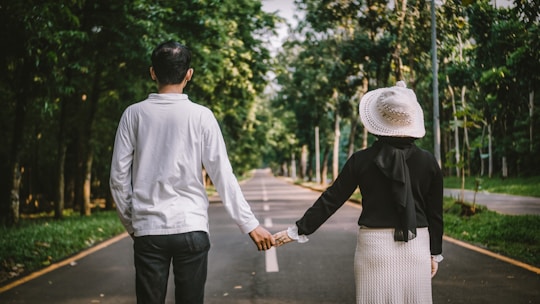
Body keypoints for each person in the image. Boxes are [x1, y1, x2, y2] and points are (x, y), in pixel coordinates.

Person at [109, 40, 275, 304]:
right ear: (189, 74)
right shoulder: (202, 116)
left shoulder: (133, 115)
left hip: (148, 230)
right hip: (191, 228)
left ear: (153, 72)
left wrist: (134, 224)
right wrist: (250, 225)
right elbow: (222, 174)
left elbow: (118, 178)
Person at [273, 81, 443, 304]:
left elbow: (332, 199)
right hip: (415, 248)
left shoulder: (361, 160)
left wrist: (297, 231)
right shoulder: (428, 162)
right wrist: (434, 253)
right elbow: (435, 215)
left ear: (378, 121)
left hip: (374, 249)